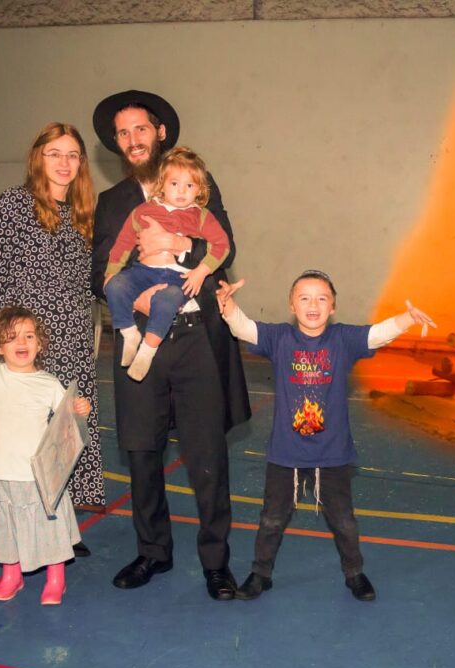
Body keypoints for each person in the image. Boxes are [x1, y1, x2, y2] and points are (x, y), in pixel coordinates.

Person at [91, 90, 251, 600]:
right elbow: (100, 271)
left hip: (196, 339)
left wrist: (179, 244)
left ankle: (216, 562)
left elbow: (224, 246)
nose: (133, 139)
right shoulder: (113, 202)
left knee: (207, 454)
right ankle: (153, 552)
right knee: (142, 450)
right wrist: (137, 300)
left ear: (159, 133)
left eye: (141, 129)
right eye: (123, 133)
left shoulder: (197, 184)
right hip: (140, 340)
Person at [215, 271, 435, 601]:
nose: (313, 305)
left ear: (333, 307)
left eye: (322, 298)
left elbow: (376, 335)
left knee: (344, 521)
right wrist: (228, 306)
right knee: (272, 519)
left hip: (332, 454)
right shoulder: (279, 338)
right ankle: (261, 573)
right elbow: (244, 328)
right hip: (286, 453)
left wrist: (407, 319)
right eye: (304, 298)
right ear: (292, 305)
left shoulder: (342, 340)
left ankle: (354, 572)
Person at [0, 122, 103, 558]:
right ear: (38, 157)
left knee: (64, 433)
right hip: (21, 338)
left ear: (81, 162)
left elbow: (101, 278)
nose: (64, 162)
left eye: (72, 154)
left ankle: (61, 530)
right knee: (18, 433)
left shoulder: (86, 215)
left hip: (71, 337)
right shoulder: (13, 204)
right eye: (54, 153)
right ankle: (14, 528)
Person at [0, 306, 91, 606]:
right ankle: (11, 576)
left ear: (39, 344)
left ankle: (56, 580)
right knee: (6, 529)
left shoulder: (48, 382)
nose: (22, 342)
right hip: (0, 472)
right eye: (12, 337)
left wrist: (81, 408)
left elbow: (69, 417)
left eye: (29, 336)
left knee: (49, 528)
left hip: (39, 477)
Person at [103, 147, 231, 382]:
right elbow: (123, 243)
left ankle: (147, 351)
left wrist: (201, 272)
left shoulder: (201, 216)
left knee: (166, 300)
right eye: (174, 184)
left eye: (189, 185)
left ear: (199, 190)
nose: (181, 191)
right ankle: (129, 333)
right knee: (114, 286)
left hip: (178, 277)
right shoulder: (143, 211)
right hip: (143, 272)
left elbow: (222, 245)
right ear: (161, 184)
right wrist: (111, 272)